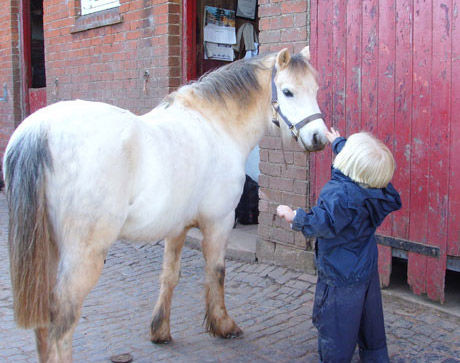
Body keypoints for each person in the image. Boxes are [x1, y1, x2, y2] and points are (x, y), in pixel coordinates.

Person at [277, 128, 401, 362]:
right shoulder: (378, 187)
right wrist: (338, 143)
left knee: (336, 328)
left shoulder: (339, 194)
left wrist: (294, 216)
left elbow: (322, 222)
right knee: (370, 323)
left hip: (339, 273)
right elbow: (363, 167)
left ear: (347, 162)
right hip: (365, 266)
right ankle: (376, 358)